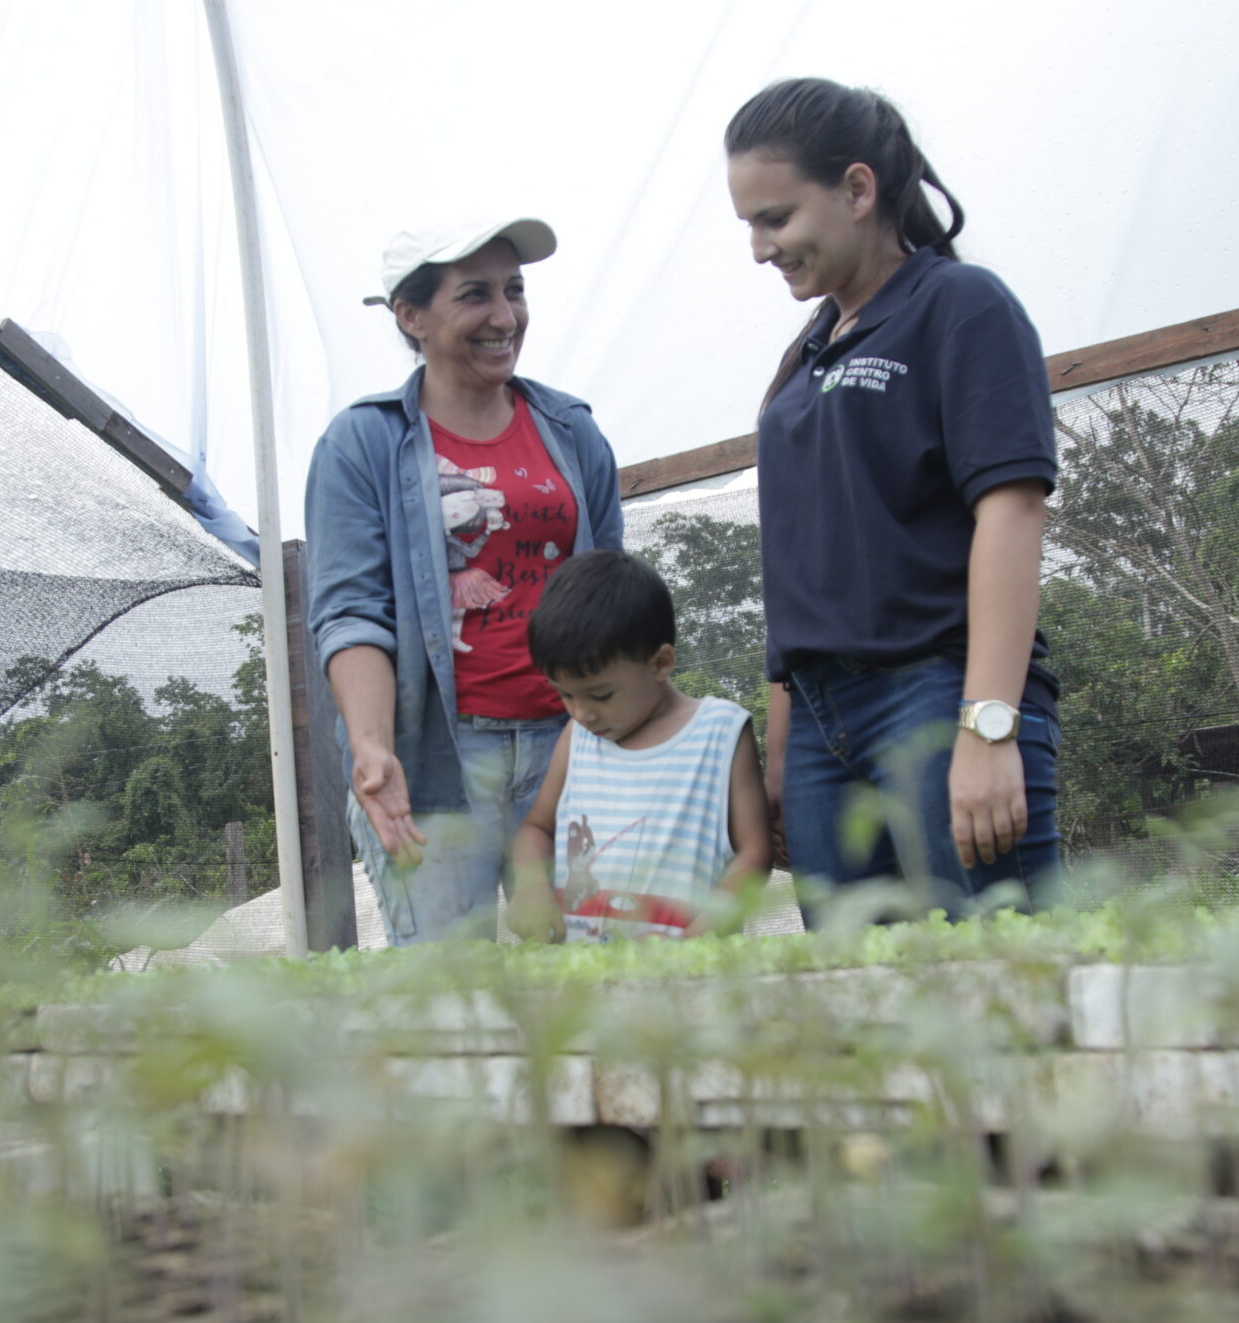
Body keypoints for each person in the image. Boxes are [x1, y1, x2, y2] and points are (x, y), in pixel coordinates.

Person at [723, 78, 1062, 920]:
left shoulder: (959, 305)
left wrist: (986, 728)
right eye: (750, 227)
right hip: (817, 722)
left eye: (776, 218)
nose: (761, 250)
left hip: (936, 692)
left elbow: (1011, 511)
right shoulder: (803, 359)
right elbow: (793, 568)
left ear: (858, 189)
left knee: (1005, 994)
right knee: (862, 1014)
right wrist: (781, 753)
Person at [304, 217, 625, 946]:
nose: (504, 316)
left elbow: (612, 597)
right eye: (475, 295)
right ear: (411, 317)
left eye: (514, 290)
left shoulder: (571, 429)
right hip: (440, 760)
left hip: (570, 747)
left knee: (599, 981)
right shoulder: (363, 442)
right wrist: (372, 746)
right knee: (451, 991)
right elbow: (352, 611)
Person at [506, 550, 771, 942]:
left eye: (600, 694)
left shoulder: (719, 732)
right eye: (565, 695)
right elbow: (536, 829)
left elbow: (754, 854)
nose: (581, 713)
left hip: (688, 977)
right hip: (578, 978)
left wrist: (703, 938)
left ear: (661, 663)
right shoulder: (577, 738)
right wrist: (530, 887)